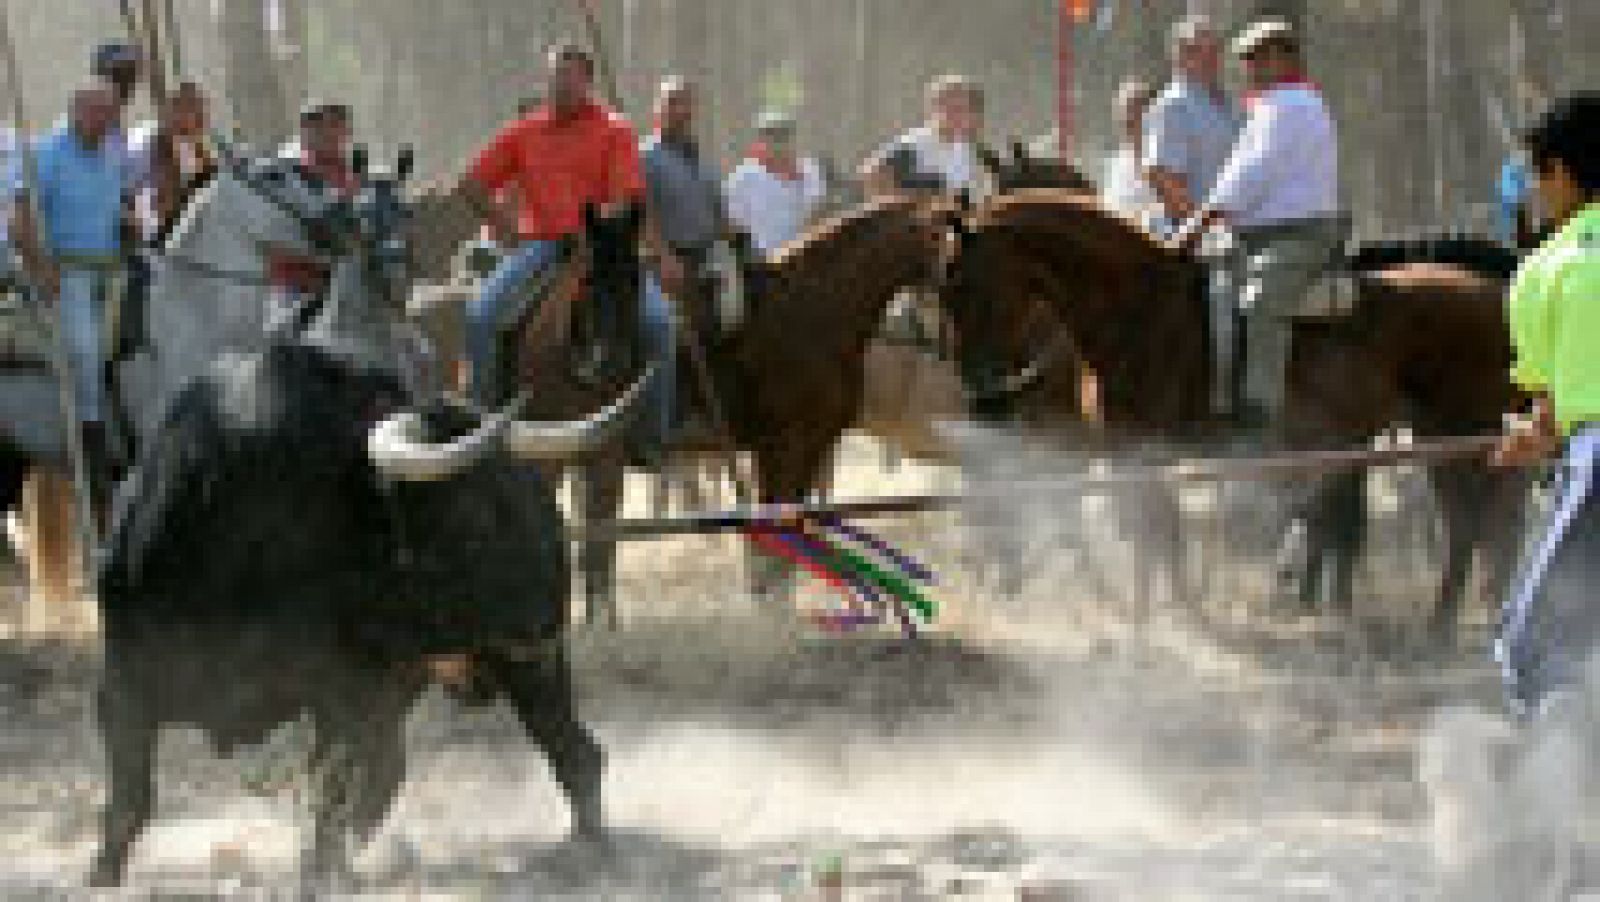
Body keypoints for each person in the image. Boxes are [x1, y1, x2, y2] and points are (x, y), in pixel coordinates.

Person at [457, 43, 670, 450]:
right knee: (480, 315)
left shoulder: (615, 130)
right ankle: (482, 423)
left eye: (569, 78)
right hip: (540, 245)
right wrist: (503, 224)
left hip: (603, 247)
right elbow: (471, 183)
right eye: (554, 77)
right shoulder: (522, 132)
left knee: (660, 325)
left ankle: (651, 437)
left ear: (587, 82)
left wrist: (603, 237)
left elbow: (626, 198)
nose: (560, 86)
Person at [1176, 19, 1343, 428]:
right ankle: (1216, 399)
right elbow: (1241, 171)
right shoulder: (1269, 107)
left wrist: (1205, 216)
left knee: (1262, 298)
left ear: (1288, 59)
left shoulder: (1295, 106)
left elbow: (1254, 172)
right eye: (1248, 59)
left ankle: (1259, 415)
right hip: (1256, 234)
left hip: (1300, 234)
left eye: (1260, 57)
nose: (1251, 66)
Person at [1491, 93, 1600, 718]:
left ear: (1560, 172)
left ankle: (1563, 792)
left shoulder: (1544, 270)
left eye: (1538, 176)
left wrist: (1531, 438)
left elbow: (1548, 419)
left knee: (1529, 645)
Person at [10, 84, 135, 510]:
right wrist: (40, 266)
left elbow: (113, 208)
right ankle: (91, 433)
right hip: (64, 270)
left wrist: (128, 225)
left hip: (111, 266)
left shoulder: (111, 156)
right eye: (98, 113)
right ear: (76, 112)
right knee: (84, 346)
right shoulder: (46, 154)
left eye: (111, 114)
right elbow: (19, 217)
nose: (107, 121)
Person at [1143, 15, 1242, 236]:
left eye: (1214, 50)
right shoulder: (1173, 105)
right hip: (1187, 238)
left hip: (1225, 233)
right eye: (1197, 50)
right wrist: (1201, 227)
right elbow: (1163, 177)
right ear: (1179, 56)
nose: (1208, 58)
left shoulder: (1230, 104)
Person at [860, 74, 990, 201]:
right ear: (934, 109)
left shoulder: (968, 150)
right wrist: (902, 208)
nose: (959, 115)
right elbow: (871, 171)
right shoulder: (917, 143)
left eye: (965, 109)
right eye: (953, 108)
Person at [725, 110, 827, 260]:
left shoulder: (810, 169)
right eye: (770, 135)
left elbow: (817, 214)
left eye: (783, 134)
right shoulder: (743, 176)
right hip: (763, 260)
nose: (778, 140)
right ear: (761, 139)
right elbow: (734, 224)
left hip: (804, 257)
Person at [1100, 79, 1161, 229]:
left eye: (1134, 111)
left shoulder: (1167, 161)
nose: (1127, 119)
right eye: (1123, 112)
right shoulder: (1116, 164)